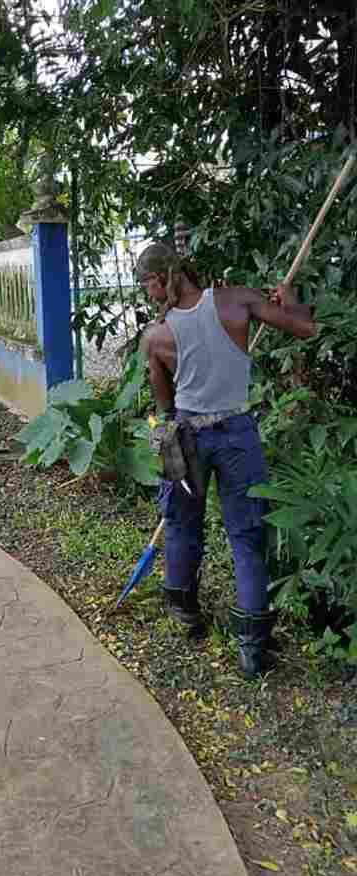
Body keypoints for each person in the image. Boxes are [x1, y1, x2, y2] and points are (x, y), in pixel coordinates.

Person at [137, 241, 316, 677]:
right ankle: (252, 649)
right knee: (247, 536)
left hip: (187, 437)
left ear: (161, 279)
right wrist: (288, 301)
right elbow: (306, 328)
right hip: (238, 435)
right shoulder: (236, 299)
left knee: (182, 524)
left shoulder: (156, 336)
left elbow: (165, 409)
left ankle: (185, 613)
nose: (147, 292)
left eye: (146, 283)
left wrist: (164, 446)